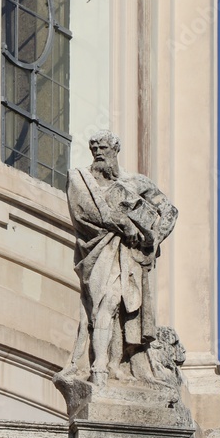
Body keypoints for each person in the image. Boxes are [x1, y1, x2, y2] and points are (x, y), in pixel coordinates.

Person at [63, 130, 178, 386]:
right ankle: (100, 366)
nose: (98, 153)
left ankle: (108, 365)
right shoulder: (81, 179)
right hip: (97, 251)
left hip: (128, 256)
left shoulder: (136, 182)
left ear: (115, 149)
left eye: (103, 148)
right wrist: (122, 223)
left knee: (114, 303)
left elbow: (170, 210)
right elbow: (84, 214)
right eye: (94, 149)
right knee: (103, 303)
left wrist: (153, 239)